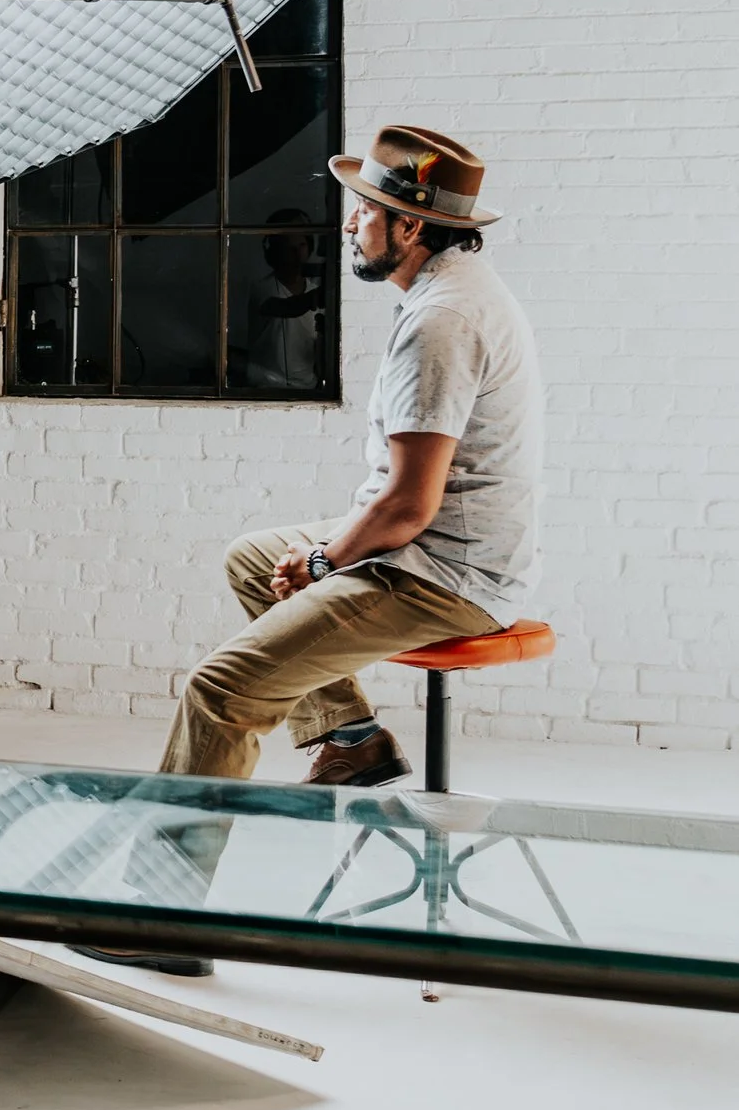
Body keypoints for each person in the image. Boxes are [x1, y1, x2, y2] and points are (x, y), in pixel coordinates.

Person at [78, 126, 541, 976]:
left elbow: (407, 505)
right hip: (435, 551)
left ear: (409, 227)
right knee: (257, 556)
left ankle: (163, 917)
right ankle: (351, 736)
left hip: (443, 576)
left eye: (365, 210)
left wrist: (329, 562)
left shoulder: (440, 321)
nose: (348, 225)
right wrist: (316, 555)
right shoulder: (455, 289)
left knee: (220, 691)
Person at [243, 211, 325, 390]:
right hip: (265, 388)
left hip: (307, 388)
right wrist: (321, 295)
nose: (297, 254)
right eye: (289, 247)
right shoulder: (262, 288)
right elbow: (285, 307)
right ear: (274, 251)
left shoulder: (314, 291)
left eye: (302, 245)